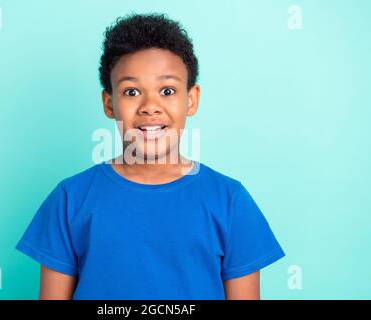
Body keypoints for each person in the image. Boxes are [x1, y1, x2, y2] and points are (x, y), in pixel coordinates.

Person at [16, 13, 285, 300]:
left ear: (191, 99)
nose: (150, 107)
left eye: (167, 90)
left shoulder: (230, 200)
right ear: (109, 103)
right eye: (131, 91)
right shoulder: (70, 198)